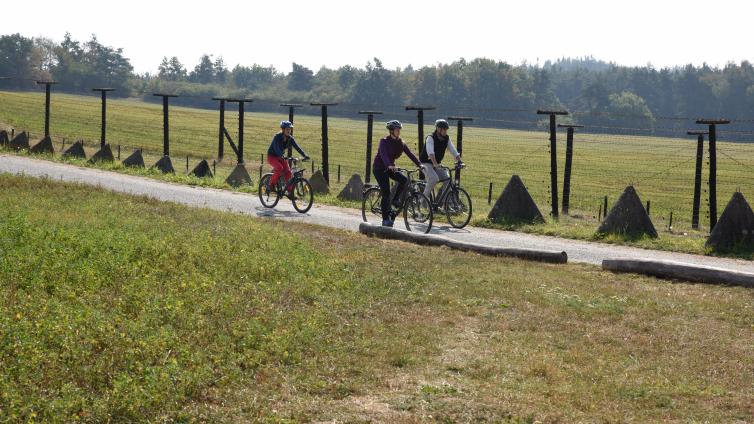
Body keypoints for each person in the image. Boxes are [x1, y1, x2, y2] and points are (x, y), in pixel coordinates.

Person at [372, 120, 424, 227]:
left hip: (390, 168)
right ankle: (385, 219)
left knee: (404, 180)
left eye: (399, 129)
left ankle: (395, 200)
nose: (399, 131)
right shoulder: (384, 141)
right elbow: (383, 154)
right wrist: (389, 165)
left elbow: (410, 154)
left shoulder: (400, 142)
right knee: (386, 193)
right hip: (379, 169)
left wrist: (419, 164)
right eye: (397, 129)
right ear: (391, 131)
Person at [419, 119, 462, 203]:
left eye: (446, 129)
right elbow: (430, 152)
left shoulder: (446, 138)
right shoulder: (430, 138)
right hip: (425, 163)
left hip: (436, 164)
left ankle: (443, 204)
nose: (446, 131)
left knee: (447, 179)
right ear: (439, 129)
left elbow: (453, 150)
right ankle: (422, 201)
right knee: (434, 179)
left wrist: (459, 161)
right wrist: (435, 163)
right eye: (444, 129)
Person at [267, 121, 309, 196]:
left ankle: (290, 192)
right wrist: (281, 155)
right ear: (283, 130)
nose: (289, 131)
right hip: (272, 156)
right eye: (287, 129)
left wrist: (304, 155)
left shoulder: (290, 138)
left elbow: (297, 147)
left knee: (288, 172)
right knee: (279, 168)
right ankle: (271, 185)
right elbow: (276, 148)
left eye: (290, 129)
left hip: (281, 157)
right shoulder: (277, 137)